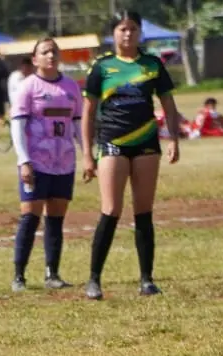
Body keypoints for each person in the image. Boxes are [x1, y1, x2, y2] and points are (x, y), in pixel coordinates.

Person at [81, 10, 180, 300]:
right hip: (112, 142)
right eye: (123, 29)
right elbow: (87, 113)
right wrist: (87, 155)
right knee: (111, 209)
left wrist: (173, 138)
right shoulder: (102, 67)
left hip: (146, 143)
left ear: (140, 33)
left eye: (133, 29)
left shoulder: (152, 65)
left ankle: (147, 279)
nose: (128, 34)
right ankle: (94, 279)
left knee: (144, 211)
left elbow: (169, 105)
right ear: (113, 33)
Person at [9, 37, 83, 291]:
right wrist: (24, 160)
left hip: (64, 162)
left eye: (54, 51)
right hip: (36, 163)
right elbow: (17, 126)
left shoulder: (71, 87)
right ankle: (19, 275)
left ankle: (52, 273)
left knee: (55, 220)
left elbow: (77, 124)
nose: (50, 56)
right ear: (35, 59)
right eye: (45, 52)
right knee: (30, 218)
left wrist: (88, 156)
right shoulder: (28, 87)